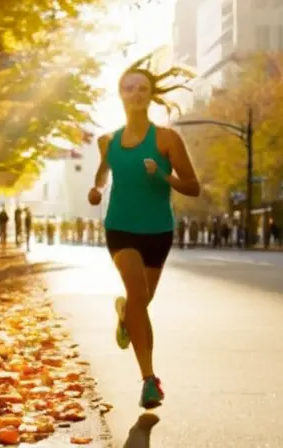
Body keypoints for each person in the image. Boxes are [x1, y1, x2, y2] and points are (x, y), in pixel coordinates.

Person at [87, 54, 199, 410]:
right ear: (119, 94)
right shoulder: (107, 141)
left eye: (142, 89)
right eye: (128, 88)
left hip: (158, 230)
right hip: (120, 227)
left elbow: (193, 186)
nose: (135, 94)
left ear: (151, 96)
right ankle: (149, 380)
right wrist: (96, 189)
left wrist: (162, 176)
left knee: (140, 302)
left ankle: (124, 316)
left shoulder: (167, 139)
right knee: (137, 293)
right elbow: (103, 172)